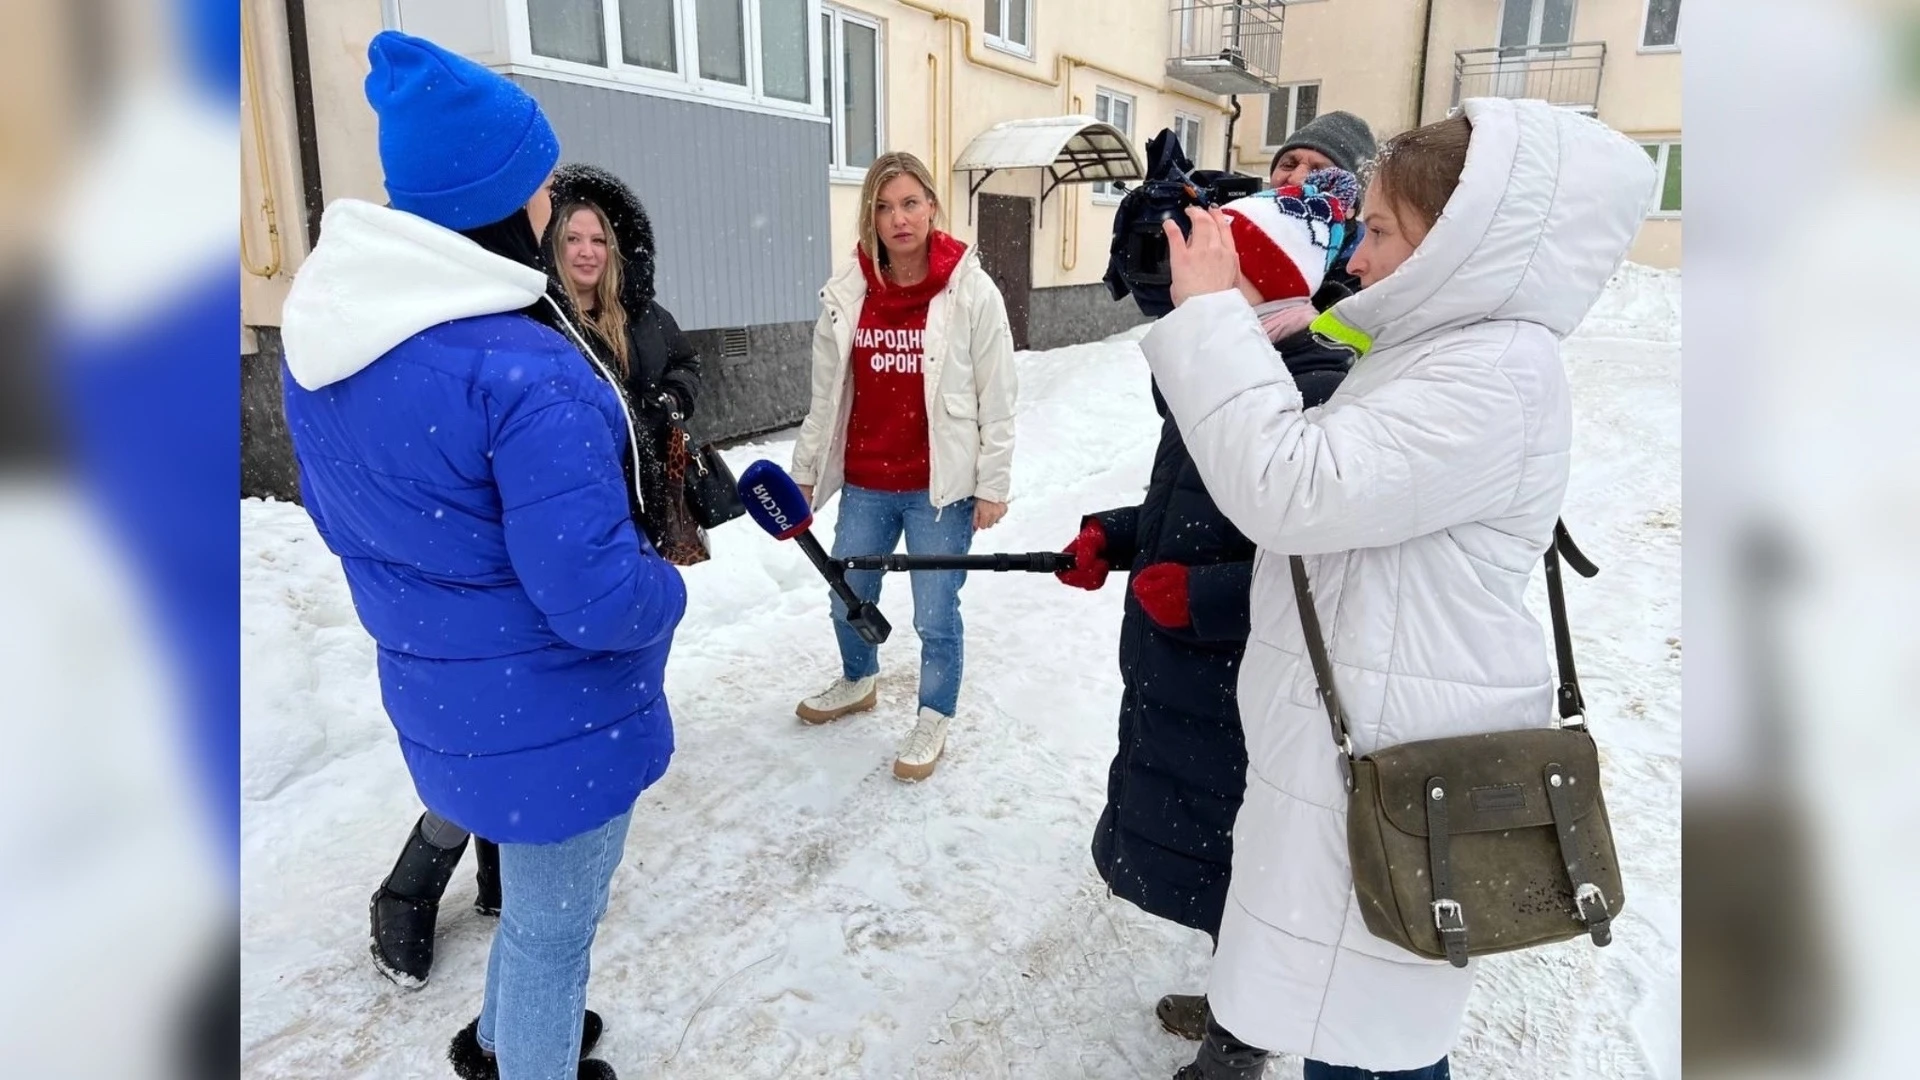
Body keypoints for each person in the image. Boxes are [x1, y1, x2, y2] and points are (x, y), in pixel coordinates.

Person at [1145, 99, 1656, 1079]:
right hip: (1373, 738)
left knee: (1374, 1041)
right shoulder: (1452, 352)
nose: (1360, 258)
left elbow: (1294, 489)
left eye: (1379, 230)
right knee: (1348, 1012)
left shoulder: (1494, 373)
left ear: (1461, 239)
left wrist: (1211, 315)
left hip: (1400, 760)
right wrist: (1275, 330)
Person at [281, 31, 688, 1080]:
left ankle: (504, 1043)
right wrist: (664, 588)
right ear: (502, 195)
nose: (555, 207)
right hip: (560, 715)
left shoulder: (331, 347)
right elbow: (597, 598)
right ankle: (532, 1056)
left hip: (448, 696)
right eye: (545, 184)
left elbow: (345, 522)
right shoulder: (523, 371)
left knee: (535, 925)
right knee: (555, 932)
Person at [1061, 169, 1362, 1042]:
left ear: (1260, 282)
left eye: (1213, 271)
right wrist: (1116, 539)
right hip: (1188, 676)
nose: (1185, 291)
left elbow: (1314, 563)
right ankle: (1242, 999)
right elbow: (1195, 507)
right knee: (1218, 869)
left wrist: (1206, 597)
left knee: (1249, 871)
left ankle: (1244, 1037)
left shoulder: (1310, 388)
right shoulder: (1227, 372)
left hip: (1241, 692)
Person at [788, 151, 1017, 782]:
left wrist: (993, 483)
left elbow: (997, 395)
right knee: (846, 597)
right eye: (884, 207)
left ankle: (934, 712)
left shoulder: (968, 289)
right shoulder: (848, 293)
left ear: (932, 207)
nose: (898, 218)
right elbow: (825, 398)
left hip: (939, 489)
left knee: (936, 613)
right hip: (866, 480)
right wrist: (805, 474)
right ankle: (859, 680)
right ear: (870, 217)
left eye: (910, 202)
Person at [545, 163, 706, 563]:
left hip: (647, 494)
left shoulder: (642, 313)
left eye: (598, 240)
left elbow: (687, 362)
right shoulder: (542, 322)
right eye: (573, 239)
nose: (587, 252)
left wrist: (671, 400)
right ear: (553, 244)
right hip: (583, 495)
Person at [1269, 110, 1378, 311]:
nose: (1295, 178)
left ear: (1350, 206)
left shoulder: (1363, 277)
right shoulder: (1234, 237)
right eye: (1288, 164)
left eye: (1320, 172)